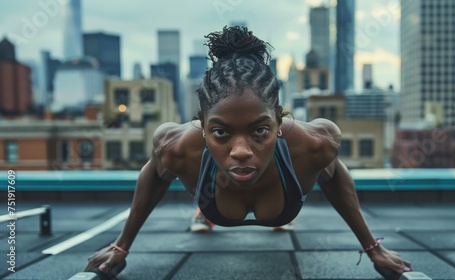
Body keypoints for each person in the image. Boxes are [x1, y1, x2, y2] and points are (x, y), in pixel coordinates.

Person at [85, 25, 412, 277]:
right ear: (201, 125)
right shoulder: (177, 147)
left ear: (279, 119)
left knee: (311, 169)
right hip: (215, 195)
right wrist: (120, 247)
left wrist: (373, 249)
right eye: (220, 132)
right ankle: (205, 211)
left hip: (280, 195)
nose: (240, 151)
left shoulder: (316, 144)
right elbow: (153, 176)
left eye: (259, 130)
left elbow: (334, 175)